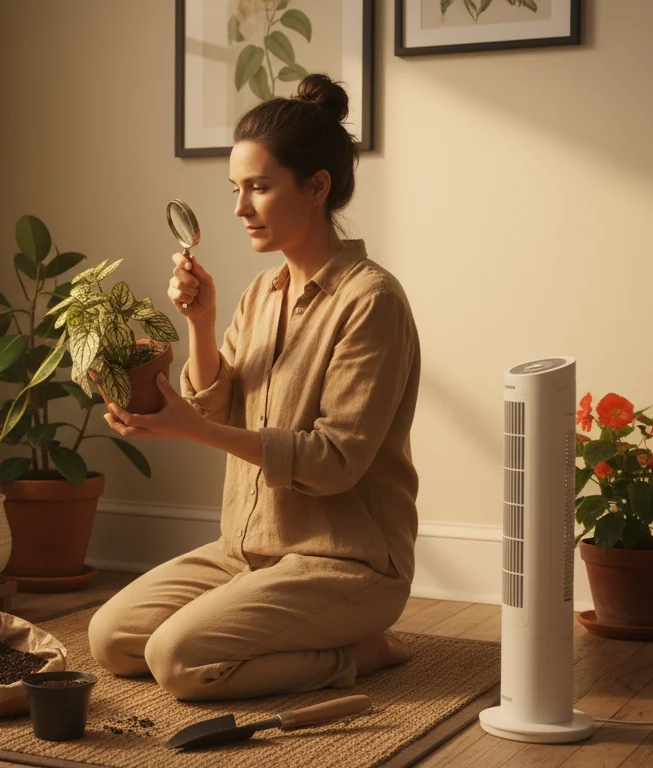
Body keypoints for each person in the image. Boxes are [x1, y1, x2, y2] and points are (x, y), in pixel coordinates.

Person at [86, 74, 422, 702]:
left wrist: (194, 428)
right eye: (236, 189)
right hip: (246, 549)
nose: (240, 208)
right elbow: (216, 401)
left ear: (316, 187)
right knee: (112, 639)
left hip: (345, 561)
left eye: (259, 188)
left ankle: (356, 651)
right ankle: (285, 630)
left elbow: (334, 463)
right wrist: (201, 321)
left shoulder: (371, 300)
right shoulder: (260, 294)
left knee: (177, 661)